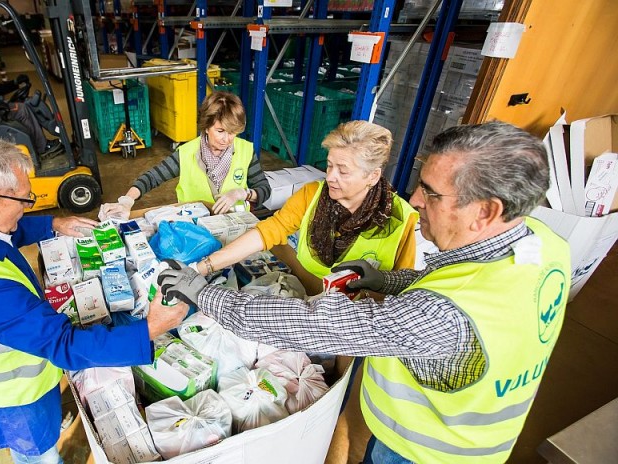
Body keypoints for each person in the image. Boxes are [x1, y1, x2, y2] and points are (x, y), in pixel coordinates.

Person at [156, 121, 571, 464]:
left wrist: (204, 293)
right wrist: (384, 281)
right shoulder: (545, 244)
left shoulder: (438, 305)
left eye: (432, 192)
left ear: (486, 211)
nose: (416, 198)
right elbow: (453, 285)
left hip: (420, 448)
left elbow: (315, 323)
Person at [0, 137, 189, 464]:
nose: (27, 206)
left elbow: (1, 235)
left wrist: (52, 224)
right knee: (39, 455)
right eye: (23, 200)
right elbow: (65, 345)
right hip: (11, 399)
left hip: (9, 375)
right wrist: (152, 326)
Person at [193, 120, 418, 278]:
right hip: (309, 297)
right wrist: (204, 267)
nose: (331, 177)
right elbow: (267, 232)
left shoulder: (400, 218)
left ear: (372, 176)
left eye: (343, 171)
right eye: (329, 166)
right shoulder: (312, 195)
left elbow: (401, 284)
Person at [101, 91, 271, 218]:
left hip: (236, 224)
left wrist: (242, 193)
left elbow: (264, 190)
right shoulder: (187, 153)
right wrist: (127, 201)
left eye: (233, 132)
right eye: (220, 131)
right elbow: (152, 177)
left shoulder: (245, 151)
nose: (227, 139)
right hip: (196, 227)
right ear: (206, 126)